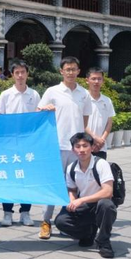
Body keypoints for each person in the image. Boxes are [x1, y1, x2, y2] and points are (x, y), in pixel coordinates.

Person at [37, 56, 92, 240]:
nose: (70, 72)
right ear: (61, 71)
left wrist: (84, 144)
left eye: (74, 69)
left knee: (74, 185)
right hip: (57, 145)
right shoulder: (52, 91)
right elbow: (38, 112)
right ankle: (45, 222)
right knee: (53, 183)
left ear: (78, 71)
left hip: (77, 149)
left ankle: (67, 221)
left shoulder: (84, 93)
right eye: (67, 69)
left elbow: (85, 120)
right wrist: (45, 108)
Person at [54, 133, 117, 258]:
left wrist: (81, 200)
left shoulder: (101, 164)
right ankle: (88, 233)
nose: (81, 150)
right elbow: (71, 189)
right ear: (73, 150)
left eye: (85, 146)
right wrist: (72, 200)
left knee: (106, 205)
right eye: (77, 146)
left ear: (92, 147)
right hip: (84, 205)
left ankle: (104, 242)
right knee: (61, 222)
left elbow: (108, 192)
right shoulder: (71, 168)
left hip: (99, 204)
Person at [0, 59, 40, 227]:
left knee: (26, 178)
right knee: (8, 177)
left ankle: (25, 212)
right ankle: (7, 212)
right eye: (17, 73)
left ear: (27, 74)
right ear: (12, 75)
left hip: (27, 143)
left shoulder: (34, 95)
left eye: (23, 72)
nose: (20, 75)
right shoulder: (6, 95)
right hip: (9, 143)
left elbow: (38, 119)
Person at [86, 67, 115, 160]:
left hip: (101, 147)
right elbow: (80, 122)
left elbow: (109, 123)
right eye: (93, 79)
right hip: (84, 146)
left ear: (103, 81)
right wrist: (94, 138)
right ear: (87, 80)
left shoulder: (107, 100)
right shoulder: (82, 99)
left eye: (99, 79)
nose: (96, 81)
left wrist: (101, 140)